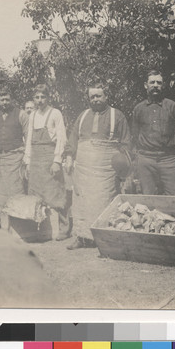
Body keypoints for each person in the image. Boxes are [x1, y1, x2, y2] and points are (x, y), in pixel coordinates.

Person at [64, 83, 131, 250]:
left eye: (98, 96)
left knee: (104, 201)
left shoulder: (118, 116)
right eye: (92, 96)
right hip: (84, 167)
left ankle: (104, 238)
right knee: (81, 202)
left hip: (105, 169)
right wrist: (69, 156)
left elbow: (126, 143)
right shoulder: (83, 115)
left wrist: (123, 168)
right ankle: (81, 237)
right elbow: (73, 139)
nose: (95, 99)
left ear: (105, 96)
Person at [24, 84, 70, 240]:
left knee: (56, 192)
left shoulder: (55, 113)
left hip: (50, 157)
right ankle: (41, 229)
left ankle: (64, 228)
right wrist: (28, 161)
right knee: (36, 194)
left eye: (43, 97)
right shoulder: (32, 115)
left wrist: (57, 161)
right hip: (36, 159)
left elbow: (62, 138)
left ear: (48, 98)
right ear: (33, 99)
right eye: (37, 97)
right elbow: (29, 139)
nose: (40, 100)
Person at [132, 70, 175, 195]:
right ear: (146, 85)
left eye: (159, 82)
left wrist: (172, 145)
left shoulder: (172, 106)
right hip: (146, 159)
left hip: (168, 159)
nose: (155, 85)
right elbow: (135, 133)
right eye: (152, 82)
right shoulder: (138, 109)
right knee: (148, 197)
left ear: (163, 85)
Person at [0, 88, 29, 227]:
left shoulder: (21, 115)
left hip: (16, 157)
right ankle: (1, 220)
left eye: (7, 99)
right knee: (0, 191)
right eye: (2, 100)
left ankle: (17, 221)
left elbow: (28, 137)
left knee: (16, 189)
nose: (5, 102)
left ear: (12, 100)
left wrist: (27, 156)